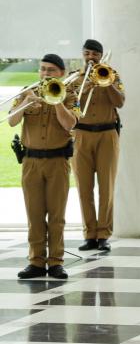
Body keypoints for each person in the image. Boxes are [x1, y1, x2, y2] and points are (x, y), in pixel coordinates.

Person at [9, 54, 79, 279]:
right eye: (42, 69)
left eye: (50, 70)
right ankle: (36, 261)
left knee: (57, 215)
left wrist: (56, 102)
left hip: (58, 162)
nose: (45, 74)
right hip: (31, 161)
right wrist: (27, 102)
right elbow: (12, 121)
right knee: (34, 214)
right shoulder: (27, 91)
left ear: (61, 73)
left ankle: (56, 261)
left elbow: (70, 123)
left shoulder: (70, 95)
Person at [71, 39, 125, 253]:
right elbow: (69, 104)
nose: (90, 57)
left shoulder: (112, 74)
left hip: (107, 134)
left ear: (101, 56)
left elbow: (120, 102)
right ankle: (89, 234)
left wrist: (106, 82)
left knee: (106, 187)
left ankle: (103, 234)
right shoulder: (76, 78)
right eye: (87, 53)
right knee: (84, 188)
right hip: (81, 134)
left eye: (95, 54)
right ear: (82, 54)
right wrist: (86, 86)